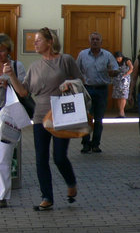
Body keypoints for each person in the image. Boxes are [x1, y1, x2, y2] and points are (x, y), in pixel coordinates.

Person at [3, 27, 81, 211]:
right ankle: (47, 197)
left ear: (49, 42)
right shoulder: (34, 67)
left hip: (62, 113)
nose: (35, 43)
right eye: (34, 41)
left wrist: (69, 84)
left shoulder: (65, 60)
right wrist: (11, 75)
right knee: (41, 158)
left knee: (60, 157)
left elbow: (80, 80)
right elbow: (23, 91)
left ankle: (71, 183)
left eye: (38, 40)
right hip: (40, 116)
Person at [76, 32, 118, 154]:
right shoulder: (83, 55)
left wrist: (112, 72)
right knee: (86, 118)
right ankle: (85, 143)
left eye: (97, 39)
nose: (95, 41)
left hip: (101, 89)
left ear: (101, 42)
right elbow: (76, 70)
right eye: (92, 39)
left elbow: (115, 69)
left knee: (99, 119)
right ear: (89, 42)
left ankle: (95, 144)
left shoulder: (107, 55)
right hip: (87, 89)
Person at [0, 33, 26, 209]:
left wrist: (10, 81)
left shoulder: (17, 66)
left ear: (9, 51)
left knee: (3, 156)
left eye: (2, 50)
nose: (0, 53)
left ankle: (2, 195)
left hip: (8, 115)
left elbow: (24, 93)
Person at [112, 51, 133, 118]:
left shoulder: (126, 60)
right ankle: (120, 111)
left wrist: (126, 75)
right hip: (117, 79)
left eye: (119, 58)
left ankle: (122, 111)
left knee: (123, 95)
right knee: (118, 95)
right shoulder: (115, 62)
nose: (118, 59)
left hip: (125, 79)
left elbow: (131, 68)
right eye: (117, 58)